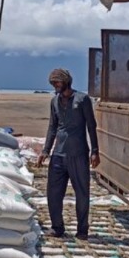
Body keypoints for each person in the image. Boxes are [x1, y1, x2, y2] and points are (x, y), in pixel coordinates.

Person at [36, 68, 100, 240]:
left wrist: (95, 151)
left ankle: (82, 230)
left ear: (66, 81)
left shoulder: (83, 100)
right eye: (53, 83)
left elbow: (91, 126)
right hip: (58, 154)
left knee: (82, 193)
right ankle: (57, 227)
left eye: (57, 82)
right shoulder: (54, 101)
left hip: (78, 154)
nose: (55, 85)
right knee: (53, 193)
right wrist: (45, 151)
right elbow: (52, 127)